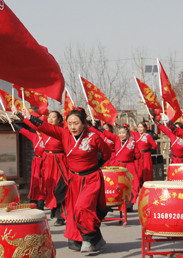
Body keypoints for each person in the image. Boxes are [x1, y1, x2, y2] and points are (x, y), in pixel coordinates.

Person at [22, 107, 111, 253]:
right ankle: (94, 239)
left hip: (91, 178)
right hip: (74, 179)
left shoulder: (94, 137)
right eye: (69, 123)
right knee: (74, 211)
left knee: (83, 207)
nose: (72, 127)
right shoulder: (64, 134)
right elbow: (46, 128)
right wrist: (29, 117)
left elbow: (106, 153)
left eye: (76, 123)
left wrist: (96, 167)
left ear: (83, 123)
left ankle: (89, 238)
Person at [21, 110, 68, 226]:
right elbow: (32, 125)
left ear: (59, 120)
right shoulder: (45, 130)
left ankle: (61, 215)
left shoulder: (63, 132)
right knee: (50, 189)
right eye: (49, 117)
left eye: (54, 117)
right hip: (48, 162)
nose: (51, 119)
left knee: (59, 189)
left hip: (59, 161)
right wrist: (21, 116)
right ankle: (56, 214)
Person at [95, 124, 141, 209]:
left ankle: (129, 203)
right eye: (120, 133)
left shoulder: (133, 143)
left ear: (128, 134)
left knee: (133, 183)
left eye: (123, 133)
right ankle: (116, 200)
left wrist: (130, 158)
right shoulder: (116, 139)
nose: (121, 135)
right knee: (118, 184)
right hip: (118, 165)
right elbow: (109, 135)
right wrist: (101, 129)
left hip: (129, 165)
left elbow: (138, 155)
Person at [10, 121, 46, 209]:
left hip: (46, 162)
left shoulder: (48, 138)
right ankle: (34, 201)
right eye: (37, 130)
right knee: (35, 182)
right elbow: (24, 131)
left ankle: (42, 201)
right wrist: (13, 124)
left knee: (43, 182)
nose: (38, 132)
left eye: (40, 130)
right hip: (36, 162)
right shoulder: (34, 137)